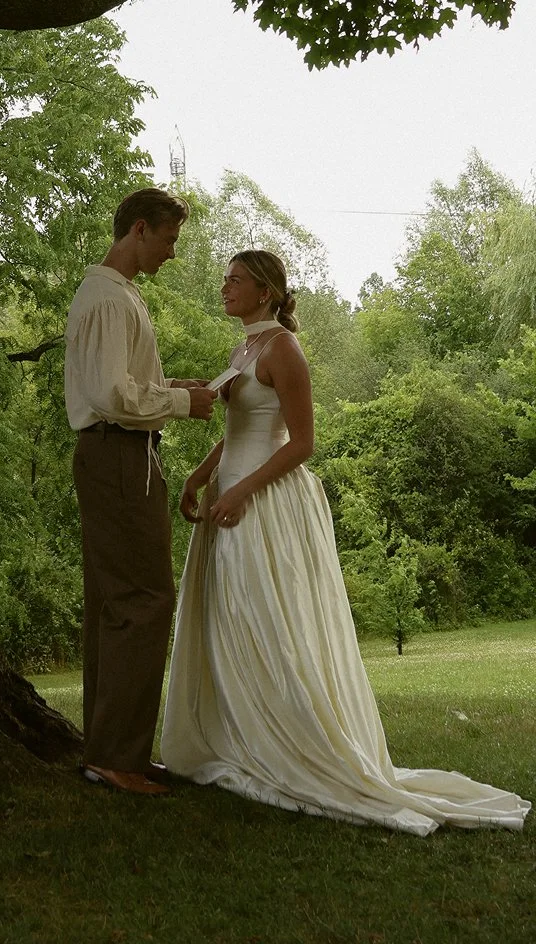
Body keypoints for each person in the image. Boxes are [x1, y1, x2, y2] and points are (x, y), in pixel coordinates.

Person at [160, 249, 530, 834]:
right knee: (231, 624)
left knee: (271, 623)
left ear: (266, 291)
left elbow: (301, 442)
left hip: (266, 504)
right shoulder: (243, 348)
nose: (224, 285)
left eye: (235, 279)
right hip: (226, 497)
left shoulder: (283, 347)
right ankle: (242, 737)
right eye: (225, 277)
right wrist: (200, 476)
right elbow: (237, 431)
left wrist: (243, 493)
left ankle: (296, 743)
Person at [65, 188, 218, 796]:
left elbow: (122, 384)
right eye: (169, 239)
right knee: (144, 599)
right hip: (119, 457)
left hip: (117, 455)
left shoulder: (116, 295)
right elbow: (109, 397)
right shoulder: (107, 297)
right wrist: (181, 402)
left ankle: (109, 748)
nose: (172, 253)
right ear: (137, 230)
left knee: (112, 602)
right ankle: (116, 758)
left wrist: (175, 385)